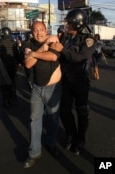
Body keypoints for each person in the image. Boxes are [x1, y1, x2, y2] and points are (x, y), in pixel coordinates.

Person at [50, 8, 96, 156]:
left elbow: (81, 58)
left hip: (81, 82)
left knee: (82, 111)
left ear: (77, 23)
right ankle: (71, 134)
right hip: (66, 81)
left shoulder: (89, 39)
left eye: (69, 23)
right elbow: (60, 55)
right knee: (64, 110)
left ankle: (80, 139)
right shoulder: (65, 38)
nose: (67, 25)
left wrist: (62, 50)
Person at [23, 21, 62, 168]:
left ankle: (51, 144)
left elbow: (52, 57)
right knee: (34, 120)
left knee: (53, 119)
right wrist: (43, 47)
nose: (38, 33)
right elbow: (28, 64)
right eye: (35, 30)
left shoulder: (54, 40)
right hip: (37, 88)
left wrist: (34, 55)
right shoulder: (28, 45)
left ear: (46, 30)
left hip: (53, 88)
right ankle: (34, 152)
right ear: (31, 32)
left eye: (41, 30)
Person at [0, 27, 17, 108]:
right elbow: (17, 54)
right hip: (12, 66)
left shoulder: (0, 42)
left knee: (4, 85)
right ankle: (14, 99)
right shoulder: (13, 42)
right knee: (13, 83)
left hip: (4, 66)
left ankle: (6, 102)